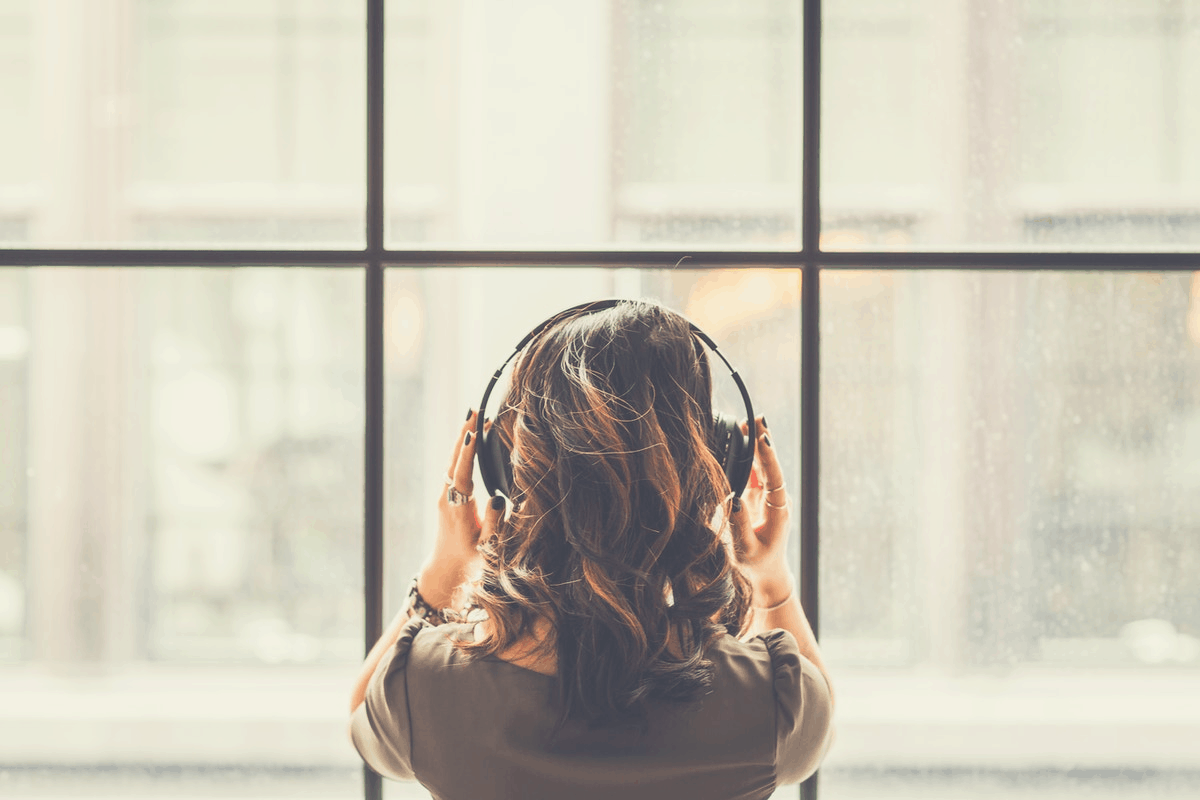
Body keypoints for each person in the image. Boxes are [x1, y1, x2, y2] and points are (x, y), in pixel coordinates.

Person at [349, 300, 834, 800]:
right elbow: (817, 729)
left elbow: (364, 719)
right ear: (718, 464)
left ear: (504, 469)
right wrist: (771, 578)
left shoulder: (425, 687)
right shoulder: (770, 700)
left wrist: (444, 569)